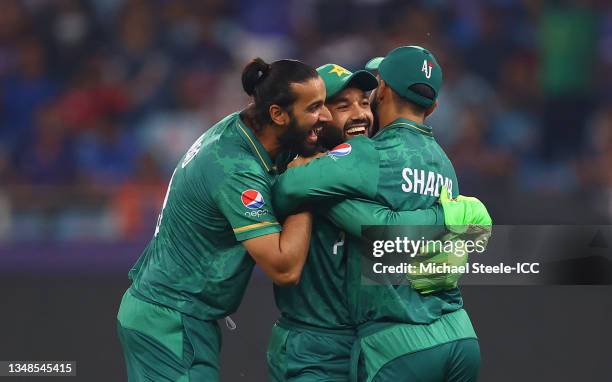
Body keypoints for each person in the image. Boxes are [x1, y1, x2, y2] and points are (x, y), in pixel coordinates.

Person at [273, 46, 490, 381]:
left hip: (394, 341)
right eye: (342, 105)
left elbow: (292, 187)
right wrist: (444, 222)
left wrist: (319, 189)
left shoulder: (368, 155)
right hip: (449, 331)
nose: (360, 113)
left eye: (364, 100)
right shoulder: (443, 162)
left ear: (383, 93)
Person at [116, 57, 332, 381]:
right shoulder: (236, 169)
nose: (326, 116)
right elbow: (283, 267)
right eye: (314, 107)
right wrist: (305, 189)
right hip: (170, 319)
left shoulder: (250, 131)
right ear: (277, 114)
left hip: (171, 315)